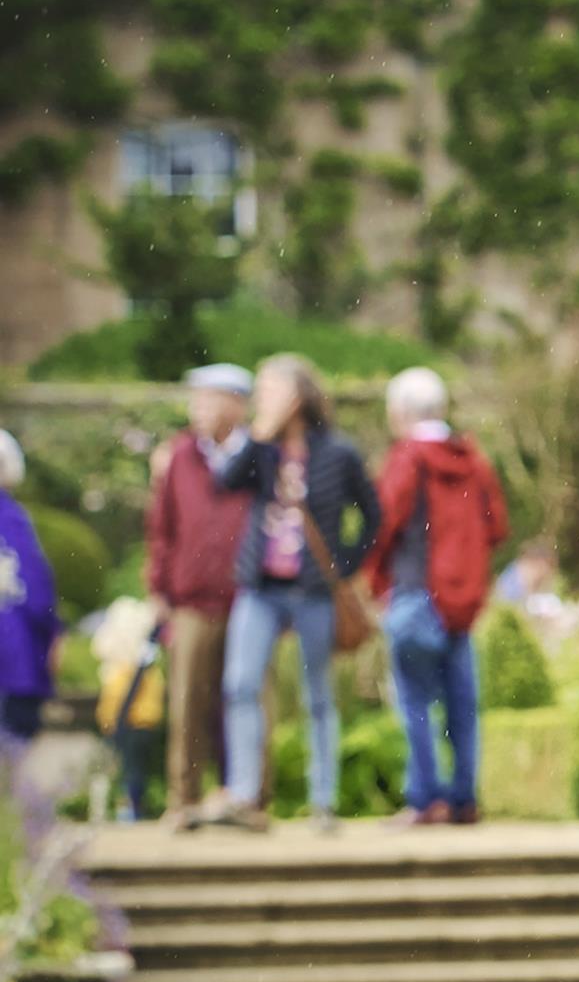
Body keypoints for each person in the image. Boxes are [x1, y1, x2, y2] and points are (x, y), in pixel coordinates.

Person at [207, 355, 380, 833]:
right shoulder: (260, 449)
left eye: (270, 389)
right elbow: (224, 483)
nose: (263, 397)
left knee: (317, 695)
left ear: (298, 395)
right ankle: (243, 794)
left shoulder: (338, 453)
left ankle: (322, 803)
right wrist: (261, 432)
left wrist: (344, 565)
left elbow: (372, 514)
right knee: (240, 684)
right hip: (260, 588)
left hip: (313, 592)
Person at [363, 367, 509, 826]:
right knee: (461, 704)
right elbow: (497, 527)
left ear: (401, 413)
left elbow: (382, 523)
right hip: (461, 603)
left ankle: (425, 799)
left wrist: (375, 581)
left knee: (415, 703)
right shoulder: (473, 461)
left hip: (414, 595)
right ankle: (463, 798)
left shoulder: (407, 458)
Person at [145, 363, 255, 831]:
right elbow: (161, 528)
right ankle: (183, 800)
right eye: (196, 400)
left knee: (246, 699)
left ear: (238, 404)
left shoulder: (259, 457)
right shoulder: (180, 456)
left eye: (210, 399)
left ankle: (245, 798)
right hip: (191, 598)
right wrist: (157, 587)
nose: (200, 409)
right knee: (187, 699)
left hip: (249, 598)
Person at [0, 430, 60, 747]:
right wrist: (52, 633)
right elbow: (37, 591)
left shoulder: (12, 519)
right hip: (14, 653)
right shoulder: (12, 519)